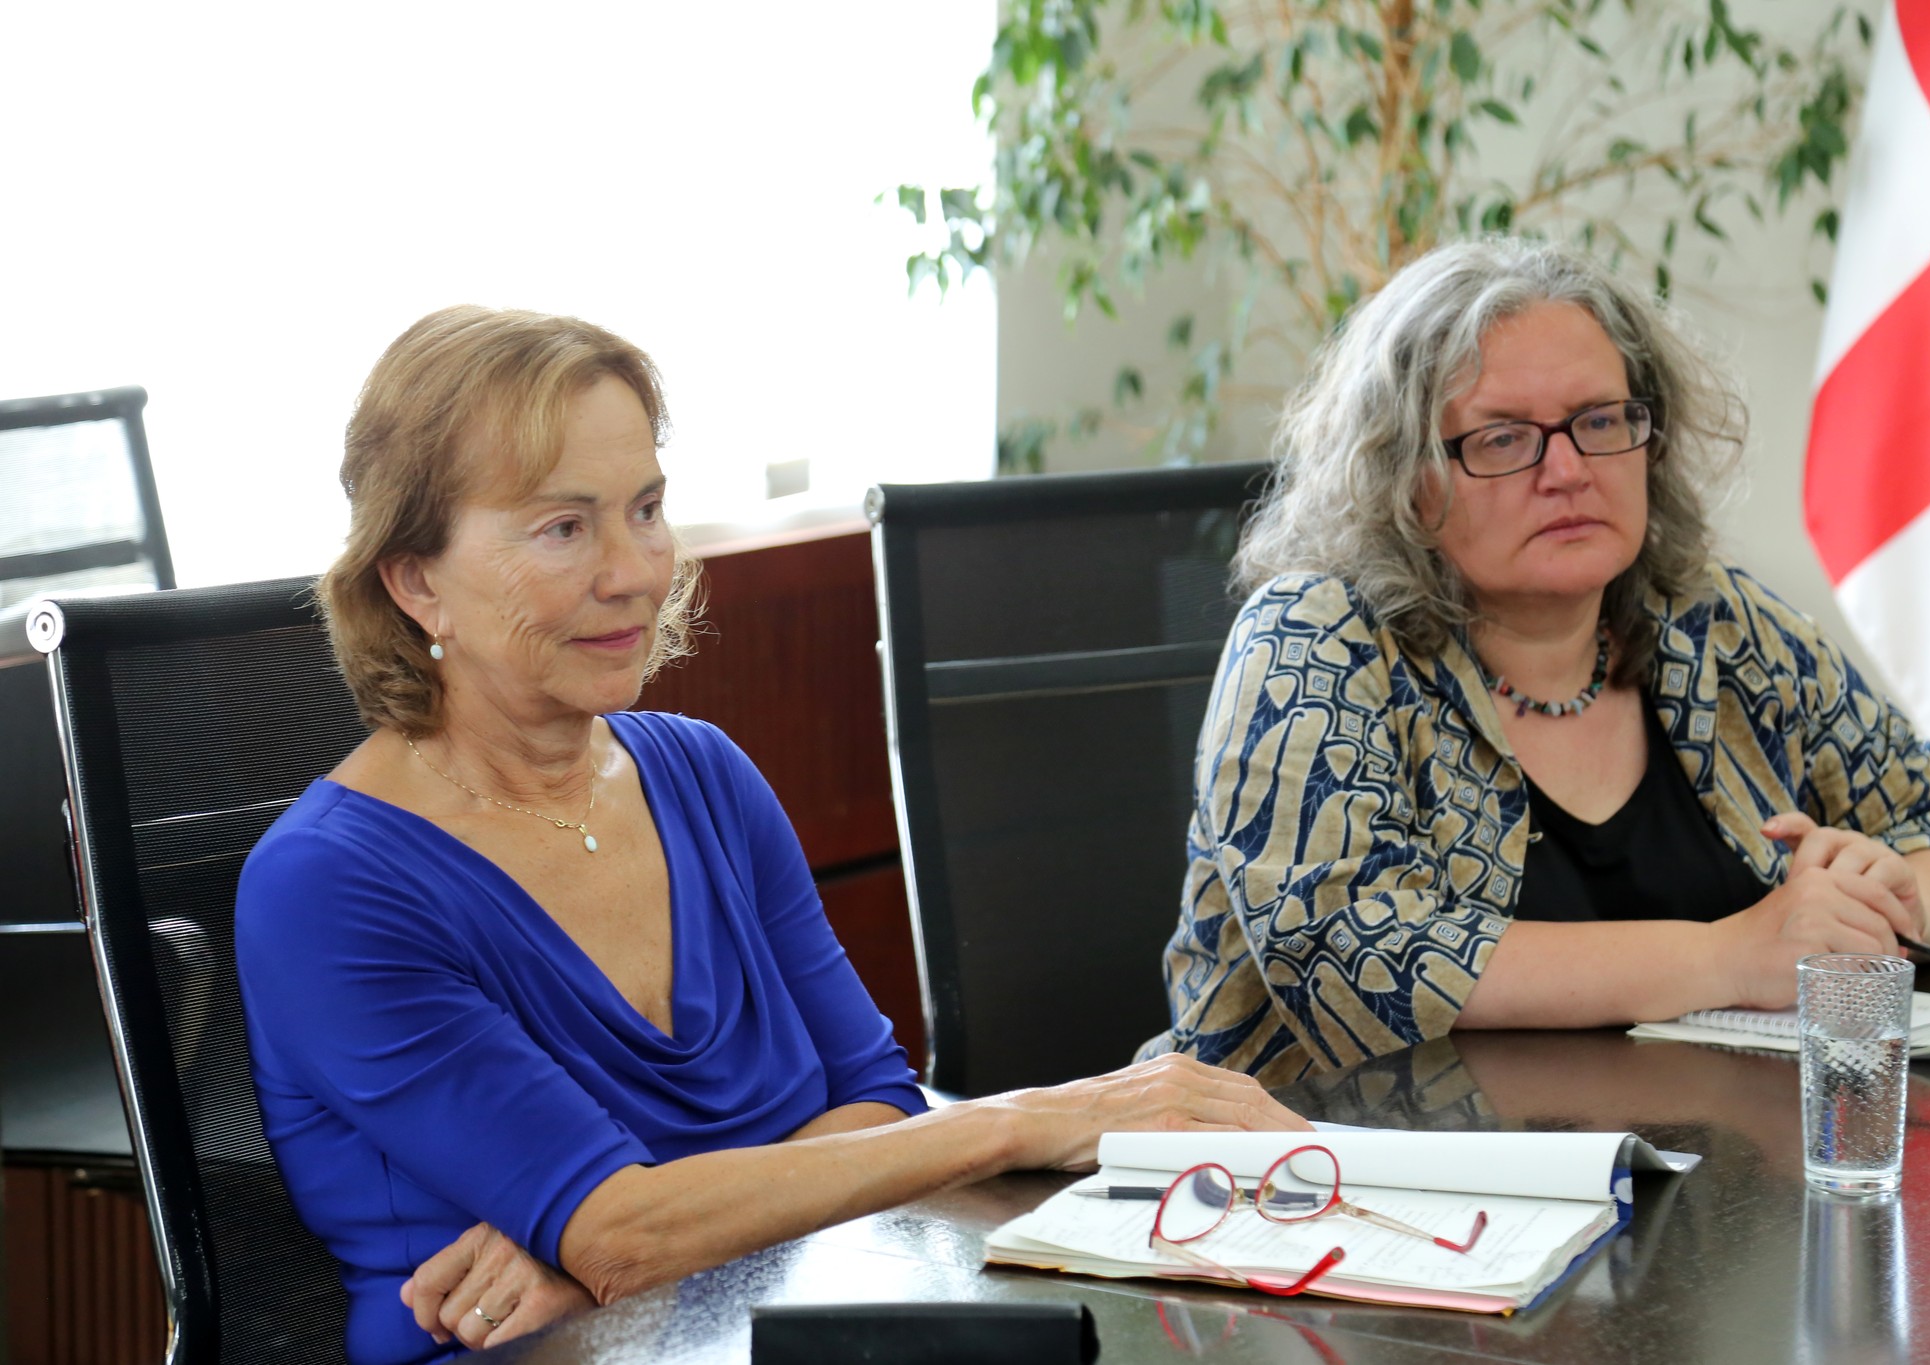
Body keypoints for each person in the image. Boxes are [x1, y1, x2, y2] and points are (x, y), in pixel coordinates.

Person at [235, 305, 1309, 1365]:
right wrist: (1024, 1118)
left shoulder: (704, 775)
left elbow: (875, 1105)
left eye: (646, 508)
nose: (632, 569)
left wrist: (636, 1241)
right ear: (415, 579)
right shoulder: (326, 890)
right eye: (564, 526)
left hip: (771, 1323)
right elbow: (626, 1232)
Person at [1142, 238, 1930, 1084]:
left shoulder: (1717, 625)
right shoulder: (1316, 637)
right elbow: (1352, 959)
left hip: (1704, 1168)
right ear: (1404, 475)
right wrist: (1731, 955)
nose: (1568, 469)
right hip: (1335, 1175)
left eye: (1601, 421)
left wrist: (1893, 901)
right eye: (1503, 437)